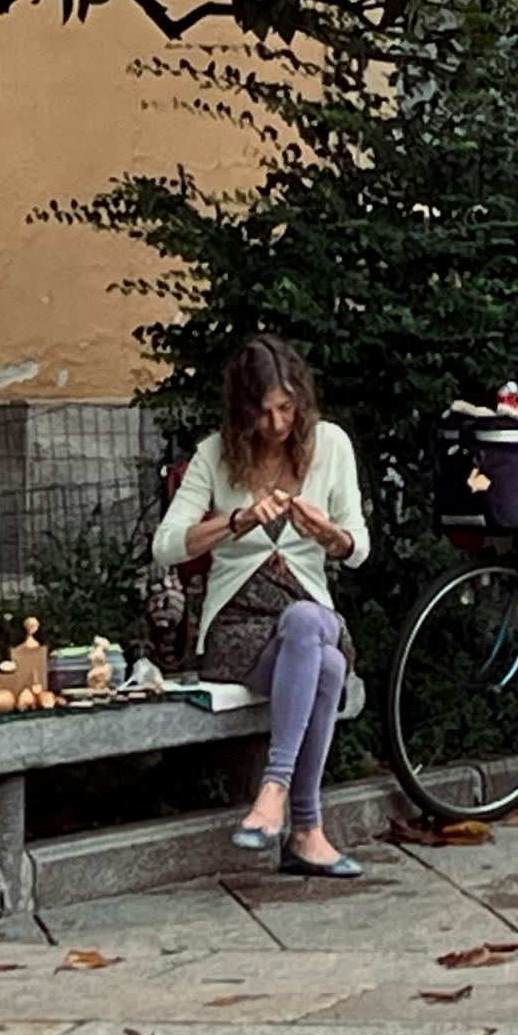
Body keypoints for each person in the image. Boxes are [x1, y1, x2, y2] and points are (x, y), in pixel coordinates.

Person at [152, 332, 373, 875]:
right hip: (238, 628)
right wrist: (236, 520)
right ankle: (307, 832)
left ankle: (273, 790)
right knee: (328, 667)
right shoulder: (214, 455)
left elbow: (359, 549)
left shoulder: (331, 445)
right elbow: (166, 545)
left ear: (301, 401)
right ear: (241, 411)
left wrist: (329, 535)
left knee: (307, 624)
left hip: (309, 609)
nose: (276, 425)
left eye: (286, 409)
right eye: (263, 412)